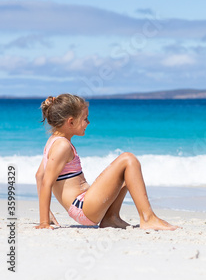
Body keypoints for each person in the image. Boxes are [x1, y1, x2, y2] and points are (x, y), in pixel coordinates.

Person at [35, 93, 179, 231]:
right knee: (128, 159)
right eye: (85, 118)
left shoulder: (53, 142)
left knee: (127, 175)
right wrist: (44, 222)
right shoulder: (62, 146)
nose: (88, 122)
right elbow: (46, 182)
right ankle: (148, 218)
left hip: (84, 205)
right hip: (82, 207)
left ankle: (111, 217)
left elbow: (39, 175)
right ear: (71, 122)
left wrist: (47, 213)